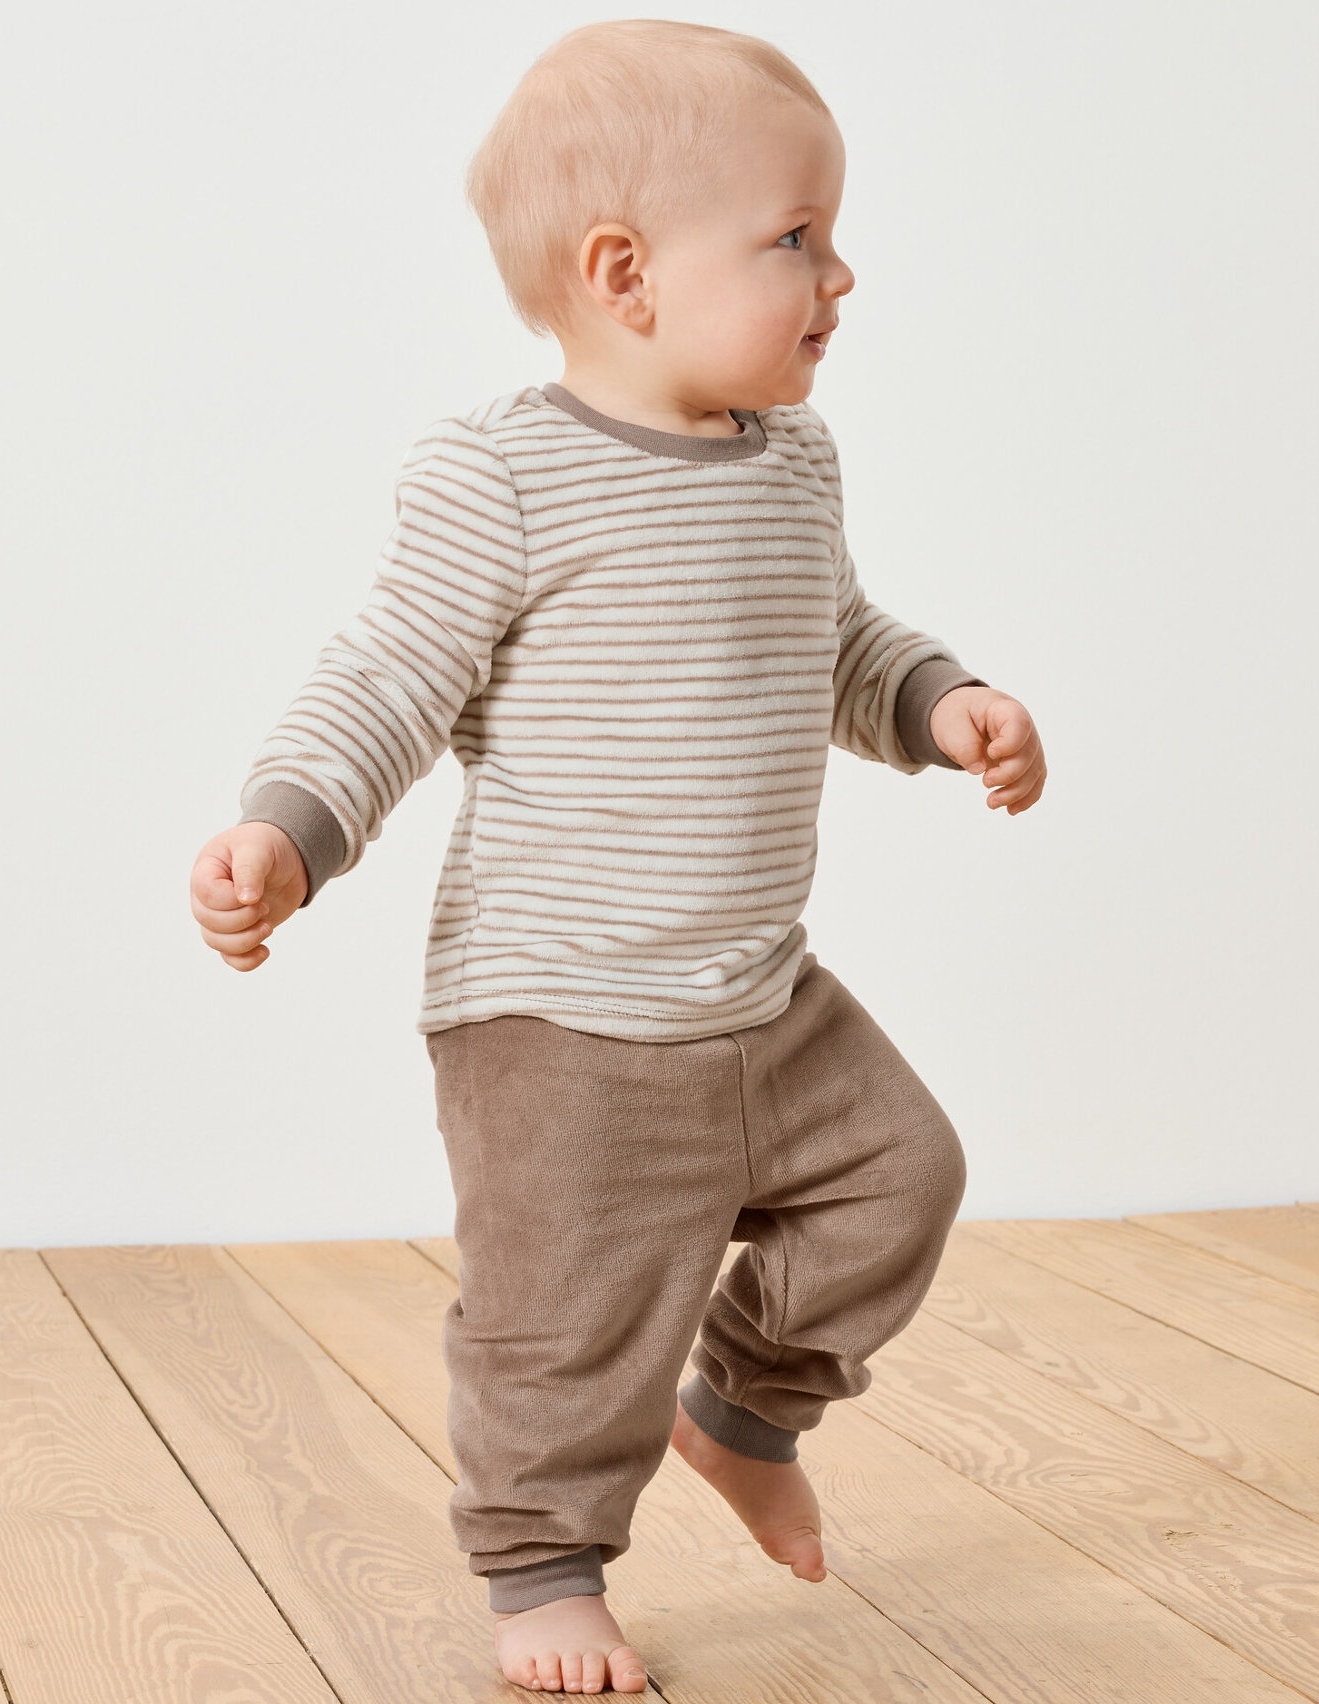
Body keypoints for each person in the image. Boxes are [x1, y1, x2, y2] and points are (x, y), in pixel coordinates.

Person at [189, 20, 1046, 1694]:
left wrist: (942, 703)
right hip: (558, 1022)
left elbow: (838, 642)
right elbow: (388, 676)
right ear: (624, 271)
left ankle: (740, 1411)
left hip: (761, 996)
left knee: (904, 1177)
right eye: (797, 237)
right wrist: (288, 833)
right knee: (561, 1324)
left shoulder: (792, 462)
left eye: (834, 232)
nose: (842, 272)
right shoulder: (506, 476)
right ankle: (542, 1570)